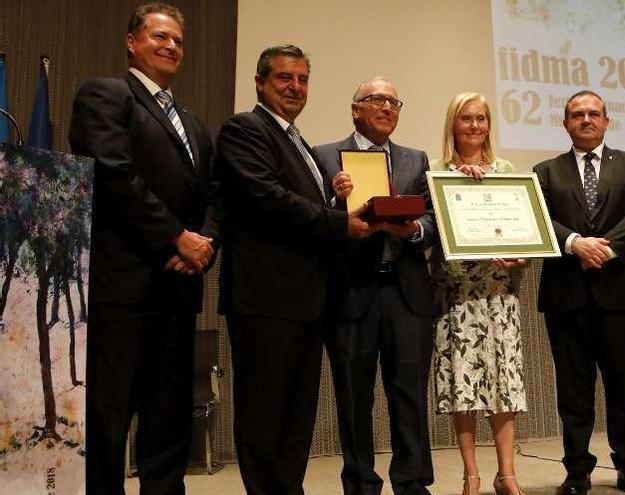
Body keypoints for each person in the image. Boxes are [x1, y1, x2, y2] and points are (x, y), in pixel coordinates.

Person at [69, 2, 221, 493]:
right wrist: (175, 236)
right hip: (123, 292)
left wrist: (204, 242)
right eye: (159, 36)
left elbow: (214, 196)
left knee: (168, 422)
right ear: (132, 42)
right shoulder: (106, 95)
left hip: (179, 292)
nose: (171, 46)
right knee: (108, 420)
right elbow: (113, 173)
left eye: (177, 40)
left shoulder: (195, 124)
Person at [214, 45, 375, 495]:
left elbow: (300, 204)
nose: (295, 87)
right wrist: (341, 221)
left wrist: (334, 196)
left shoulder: (295, 137)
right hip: (266, 299)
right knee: (264, 414)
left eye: (303, 79)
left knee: (296, 414)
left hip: (305, 300)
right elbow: (267, 199)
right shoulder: (245, 129)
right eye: (285, 78)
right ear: (260, 83)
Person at [313, 76, 436, 495]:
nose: (386, 108)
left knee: (410, 393)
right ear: (355, 108)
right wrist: (334, 201)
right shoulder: (324, 156)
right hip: (350, 291)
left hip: (406, 292)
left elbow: (434, 219)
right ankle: (361, 483)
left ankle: (413, 482)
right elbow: (312, 219)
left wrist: (415, 230)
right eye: (376, 100)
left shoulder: (416, 159)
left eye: (394, 102)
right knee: (353, 396)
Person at [533, 90, 625, 495]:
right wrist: (575, 244)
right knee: (573, 391)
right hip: (567, 296)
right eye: (576, 114)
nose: (585, 120)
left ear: (606, 121)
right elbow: (539, 218)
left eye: (593, 114)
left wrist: (602, 246)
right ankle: (577, 471)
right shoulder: (545, 171)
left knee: (622, 384)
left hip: (622, 294)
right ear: (565, 123)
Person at [430, 92, 528, 495]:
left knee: (504, 386)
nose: (474, 126)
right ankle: (471, 474)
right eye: (466, 119)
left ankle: (507, 475)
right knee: (464, 387)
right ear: (453, 125)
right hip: (458, 297)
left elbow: (523, 233)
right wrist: (459, 183)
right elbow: (432, 234)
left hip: (500, 294)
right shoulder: (436, 172)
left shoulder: (506, 170)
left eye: (481, 119)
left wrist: (519, 255)